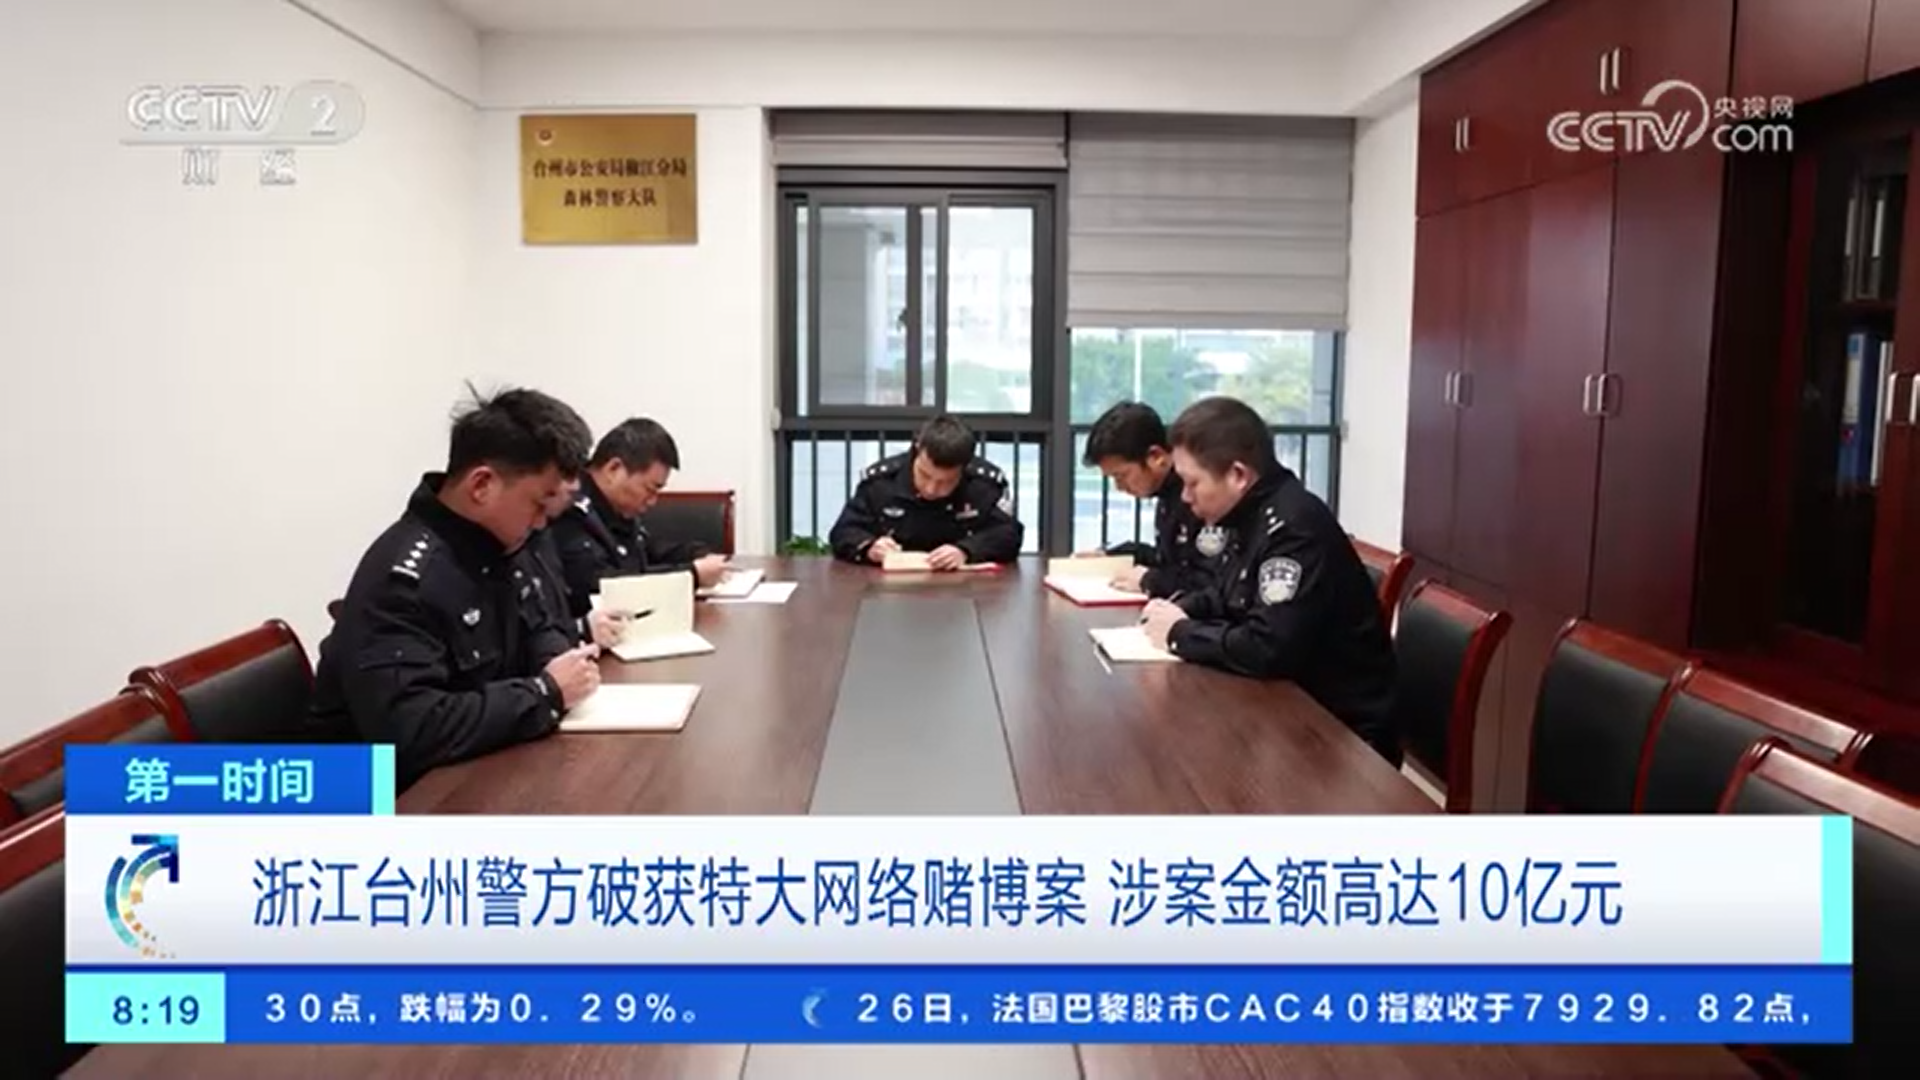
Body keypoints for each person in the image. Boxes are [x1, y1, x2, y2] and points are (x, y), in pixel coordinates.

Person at [310, 387, 603, 790]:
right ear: (481, 485)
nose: (541, 522)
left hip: (476, 768)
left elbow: (539, 624)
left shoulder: (500, 543)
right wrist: (544, 692)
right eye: (538, 503)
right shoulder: (404, 581)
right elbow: (413, 730)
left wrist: (558, 662)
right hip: (370, 793)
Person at [1137, 396, 1400, 763]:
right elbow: (1229, 591)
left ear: (1238, 475)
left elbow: (1268, 647)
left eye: (1192, 483)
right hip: (1289, 707)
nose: (1185, 497)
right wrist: (1182, 608)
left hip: (1338, 734)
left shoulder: (1292, 529)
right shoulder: (1249, 514)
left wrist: (1180, 634)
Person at [549, 418, 729, 620]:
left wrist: (696, 554)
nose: (652, 501)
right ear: (614, 469)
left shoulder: (616, 509)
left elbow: (648, 552)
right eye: (650, 489)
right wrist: (691, 575)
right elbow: (604, 586)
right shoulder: (568, 509)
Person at [828, 414, 1024, 568]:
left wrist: (967, 550)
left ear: (964, 468)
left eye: (946, 482)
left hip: (964, 586)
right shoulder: (881, 483)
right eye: (924, 475)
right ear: (917, 449)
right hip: (892, 589)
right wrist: (870, 548)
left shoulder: (984, 484)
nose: (931, 489)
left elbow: (1008, 534)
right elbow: (844, 532)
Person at [1081, 400, 1222, 598]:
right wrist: (1115, 556)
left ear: (1156, 456)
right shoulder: (1166, 492)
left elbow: (1210, 580)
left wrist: (1151, 581)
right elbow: (1168, 558)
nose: (1119, 487)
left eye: (1121, 476)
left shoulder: (1196, 496)